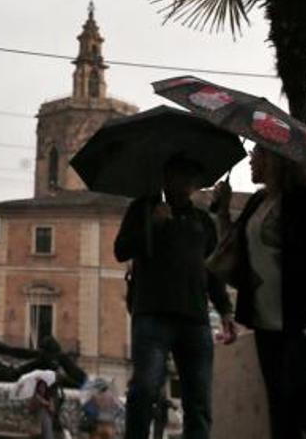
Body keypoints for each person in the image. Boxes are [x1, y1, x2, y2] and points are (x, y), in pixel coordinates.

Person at [213, 146, 306, 439]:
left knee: (301, 392)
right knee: (279, 404)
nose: (250, 159)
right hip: (267, 322)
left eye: (257, 153)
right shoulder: (257, 202)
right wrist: (222, 210)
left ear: (276, 158)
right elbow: (232, 248)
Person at [113, 154, 236, 439]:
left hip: (195, 319)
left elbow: (213, 271)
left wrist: (226, 311)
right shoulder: (142, 209)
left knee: (199, 402)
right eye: (180, 175)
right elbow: (120, 250)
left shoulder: (202, 221)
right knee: (144, 389)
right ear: (166, 178)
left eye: (191, 176)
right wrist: (152, 224)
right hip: (151, 315)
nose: (186, 182)